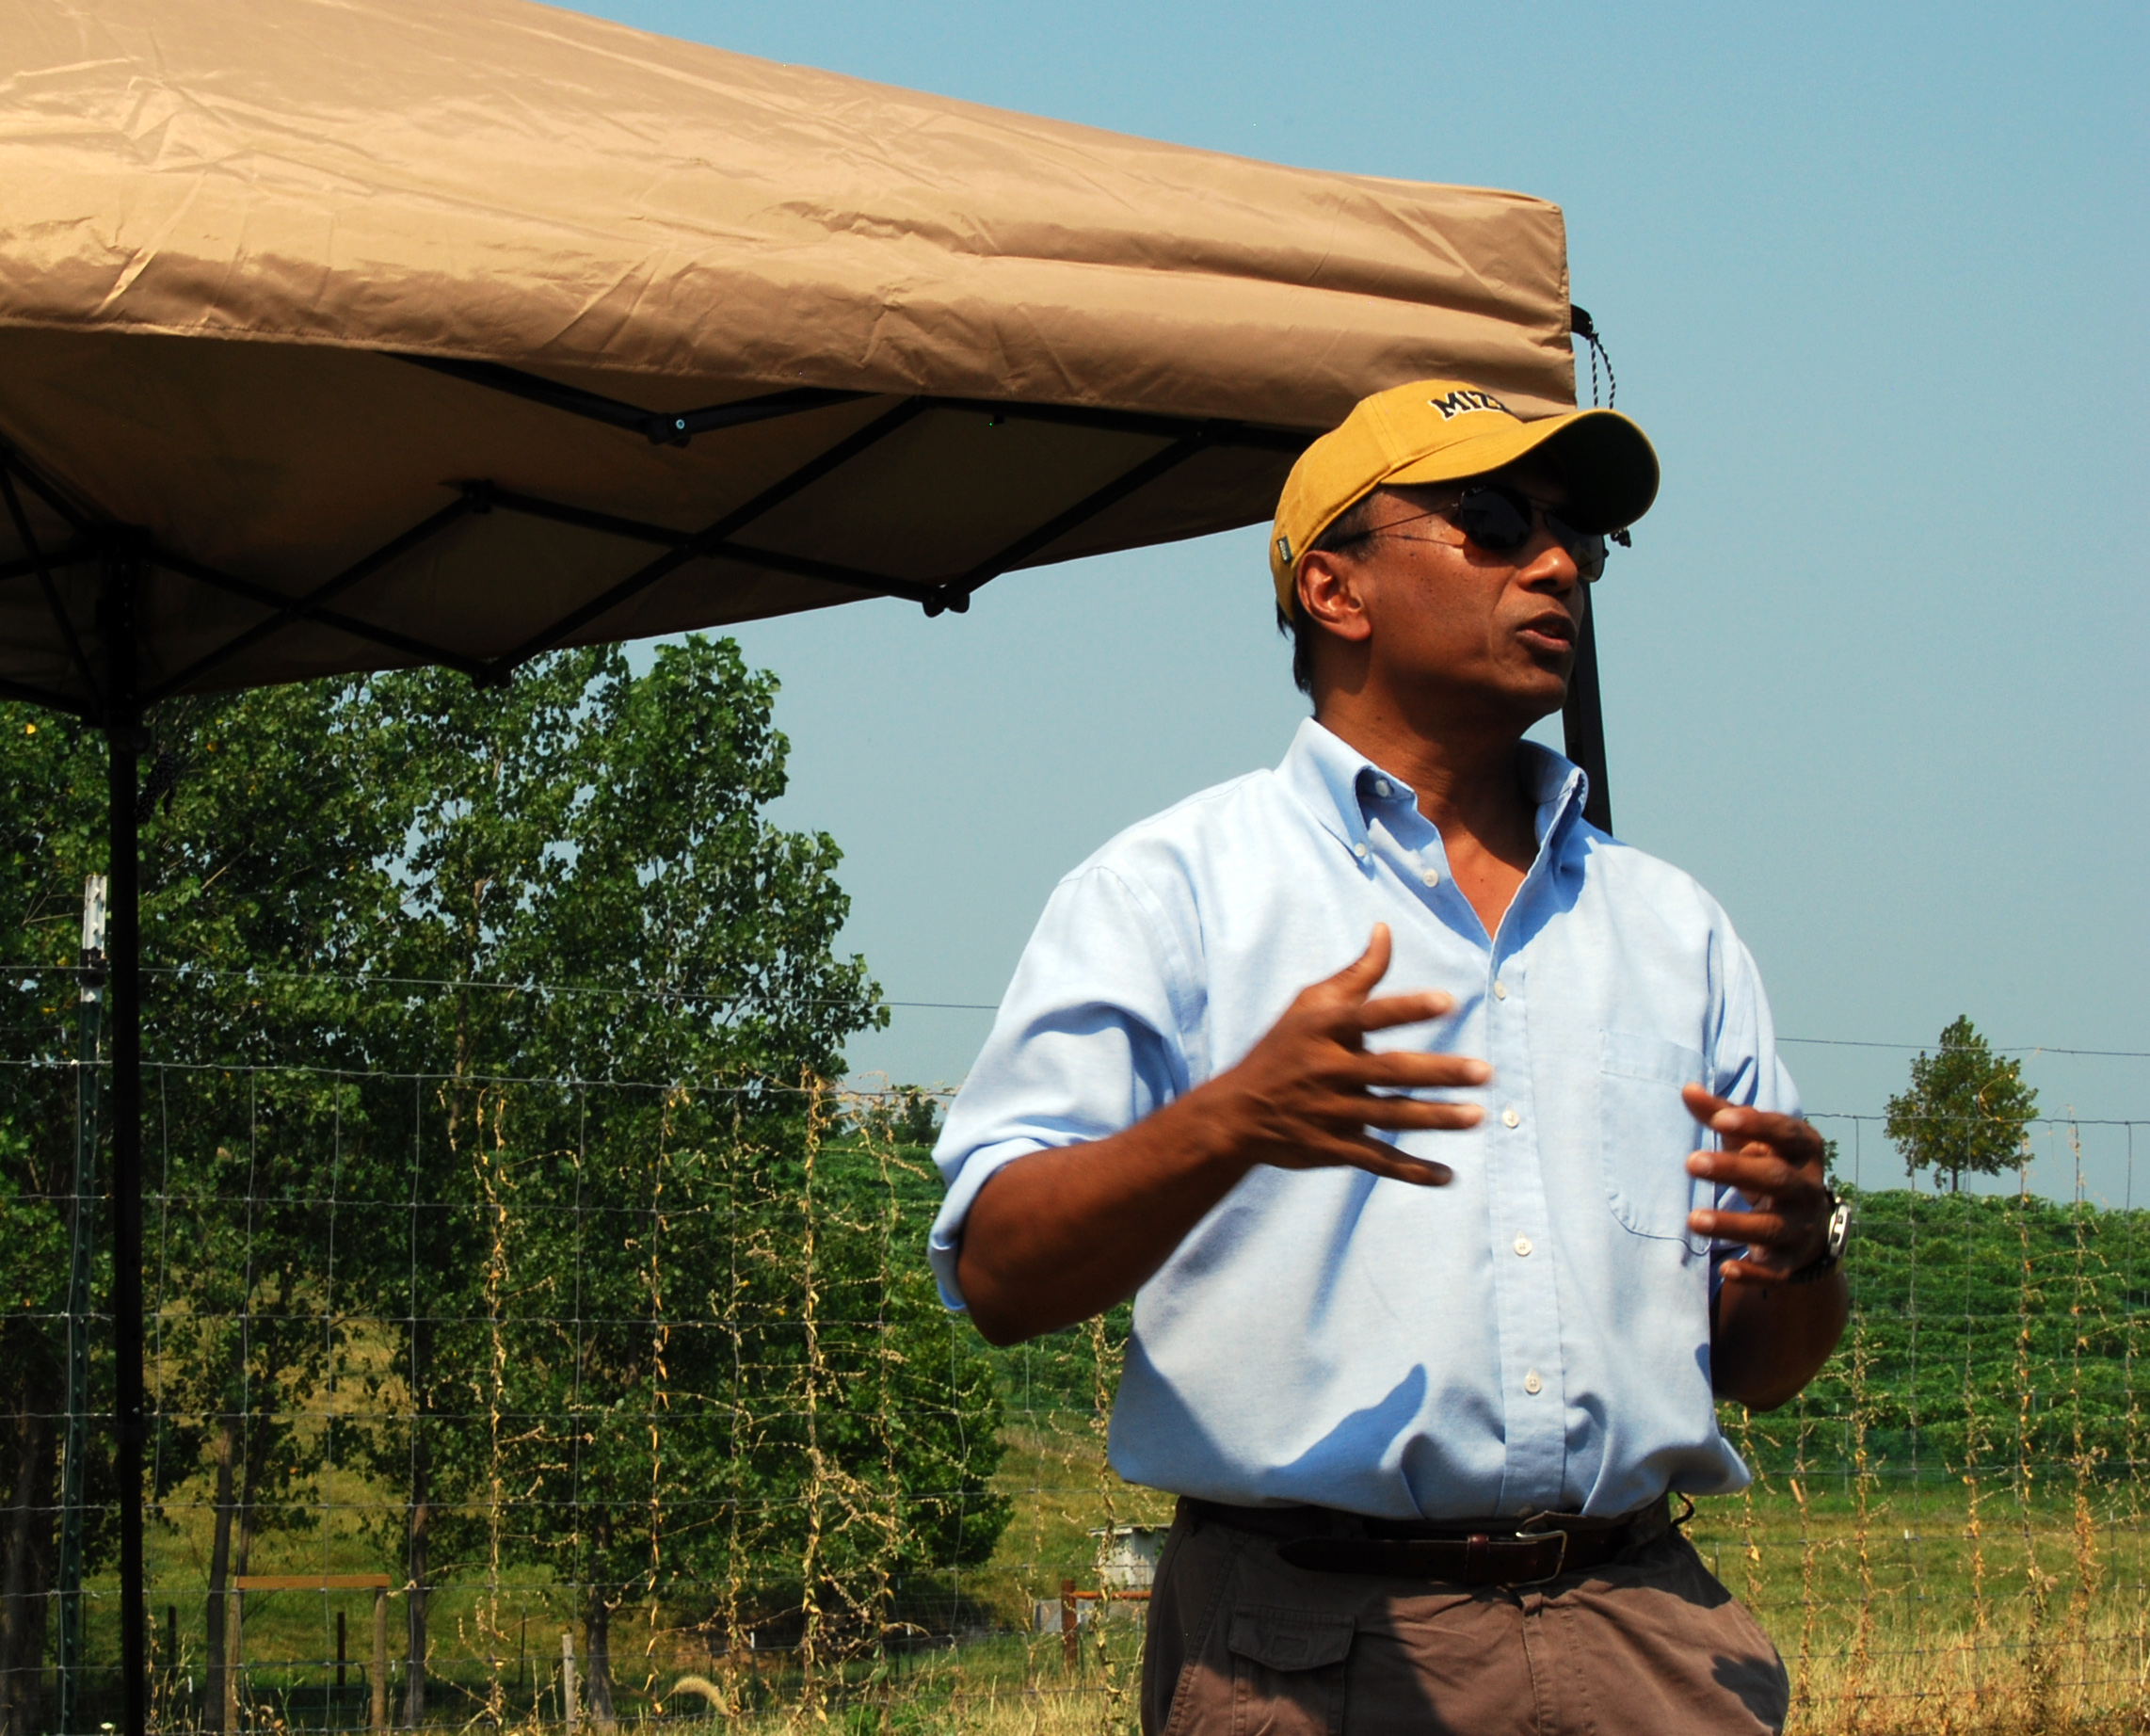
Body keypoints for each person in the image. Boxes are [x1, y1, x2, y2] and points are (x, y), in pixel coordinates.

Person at [928, 378, 1849, 1734]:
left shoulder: (1670, 926)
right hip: (1308, 1650)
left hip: (1643, 1638)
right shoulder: (1172, 892)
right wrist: (1231, 1121)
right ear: (1334, 591)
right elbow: (998, 1272)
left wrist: (1805, 1247)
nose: (1555, 564)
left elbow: (1762, 1368)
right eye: (1490, 520)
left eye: (1576, 539)